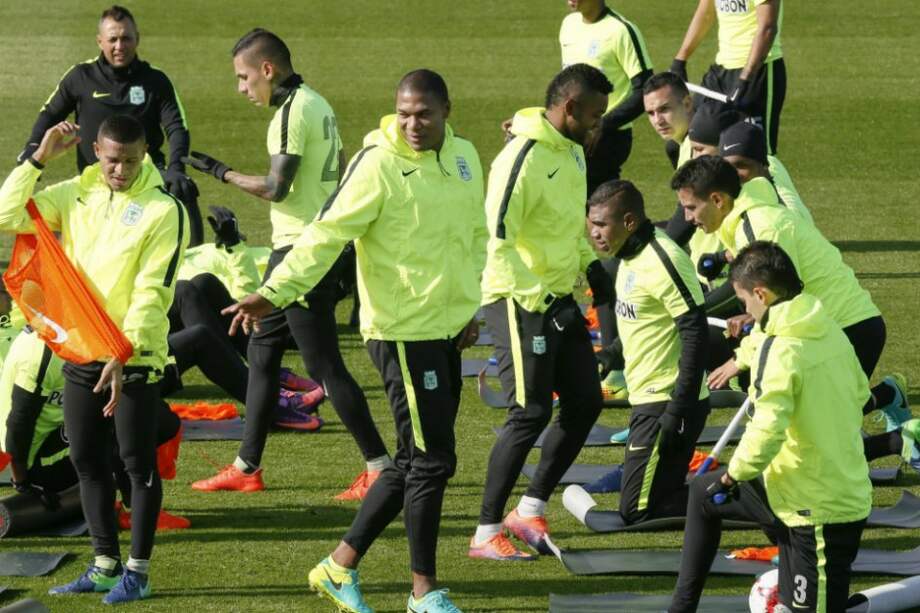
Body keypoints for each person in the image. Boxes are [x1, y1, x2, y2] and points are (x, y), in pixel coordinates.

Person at [224, 68, 485, 613]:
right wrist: (273, 291)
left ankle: (339, 566)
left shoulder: (464, 159)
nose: (413, 124)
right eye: (405, 113)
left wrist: (470, 308)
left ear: (447, 111)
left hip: (445, 329)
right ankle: (423, 592)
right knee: (432, 462)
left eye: (425, 115)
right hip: (403, 332)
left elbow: (473, 236)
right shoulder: (378, 164)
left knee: (416, 462)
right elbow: (324, 235)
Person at [184, 28, 388, 500]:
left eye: (243, 77)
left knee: (324, 365)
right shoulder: (318, 103)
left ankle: (379, 465)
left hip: (301, 252)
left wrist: (221, 172)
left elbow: (276, 188)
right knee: (261, 355)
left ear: (267, 70)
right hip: (311, 246)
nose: (241, 88)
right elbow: (338, 165)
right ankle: (247, 465)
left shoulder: (290, 114)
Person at [0, 114, 189, 603]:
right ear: (96, 154)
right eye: (111, 161)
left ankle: (138, 572)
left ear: (144, 154)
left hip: (135, 359)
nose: (119, 171)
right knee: (87, 461)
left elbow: (155, 289)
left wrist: (125, 352)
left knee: (134, 465)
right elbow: (6, 216)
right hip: (82, 352)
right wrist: (38, 159)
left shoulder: (163, 210)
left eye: (129, 161)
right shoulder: (74, 194)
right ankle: (105, 563)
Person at [669, 241, 871, 613]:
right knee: (701, 491)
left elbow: (766, 429)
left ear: (761, 293)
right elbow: (860, 394)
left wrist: (730, 478)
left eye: (745, 302)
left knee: (711, 488)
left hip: (822, 514)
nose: (745, 310)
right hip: (790, 493)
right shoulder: (828, 330)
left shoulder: (781, 350)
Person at [468, 64, 612, 562]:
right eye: (593, 117)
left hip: (556, 297)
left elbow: (570, 224)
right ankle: (486, 531)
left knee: (585, 401)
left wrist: (593, 269)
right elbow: (495, 237)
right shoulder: (521, 156)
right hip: (516, 298)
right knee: (528, 412)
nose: (596, 128)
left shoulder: (571, 150)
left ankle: (527, 509)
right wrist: (537, 298)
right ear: (569, 108)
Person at [672, 156, 911, 436]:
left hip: (847, 329)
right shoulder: (745, 219)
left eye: (691, 208)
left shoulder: (758, 227)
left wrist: (739, 359)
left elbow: (784, 304)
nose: (688, 218)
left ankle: (899, 438)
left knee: (812, 429)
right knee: (811, 424)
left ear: (717, 200)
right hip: (820, 327)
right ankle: (889, 397)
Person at [17, 5, 202, 246]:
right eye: (112, 39)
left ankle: (190, 269)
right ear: (99, 41)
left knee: (184, 194)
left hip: (145, 176)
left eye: (126, 38)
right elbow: (50, 113)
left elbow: (177, 127)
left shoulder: (156, 80)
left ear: (138, 39)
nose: (119, 46)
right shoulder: (80, 77)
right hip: (95, 182)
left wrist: (177, 167)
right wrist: (33, 146)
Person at [587, 180, 709, 523]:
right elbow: (646, 323)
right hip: (649, 399)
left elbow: (695, 331)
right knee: (653, 495)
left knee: (636, 510)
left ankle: (749, 494)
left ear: (628, 222)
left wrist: (678, 408)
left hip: (667, 401)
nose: (594, 233)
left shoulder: (662, 259)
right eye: (591, 223)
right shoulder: (629, 255)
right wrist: (609, 355)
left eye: (601, 225)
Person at [0, 329, 190, 532]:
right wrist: (22, 482)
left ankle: (130, 499)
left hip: (56, 437)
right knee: (118, 418)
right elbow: (19, 423)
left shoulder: (71, 334)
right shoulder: (41, 352)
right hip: (36, 459)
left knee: (152, 415)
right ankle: (136, 511)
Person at [559, 0, 654, 193]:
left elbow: (646, 89)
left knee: (594, 204)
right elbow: (564, 84)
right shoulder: (568, 25)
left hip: (608, 136)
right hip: (573, 130)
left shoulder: (621, 31)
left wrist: (602, 125)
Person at [670, 0, 785, 154]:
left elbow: (767, 28)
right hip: (722, 69)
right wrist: (680, 59)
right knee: (682, 143)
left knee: (754, 154)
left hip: (758, 71)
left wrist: (746, 78)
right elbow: (706, 12)